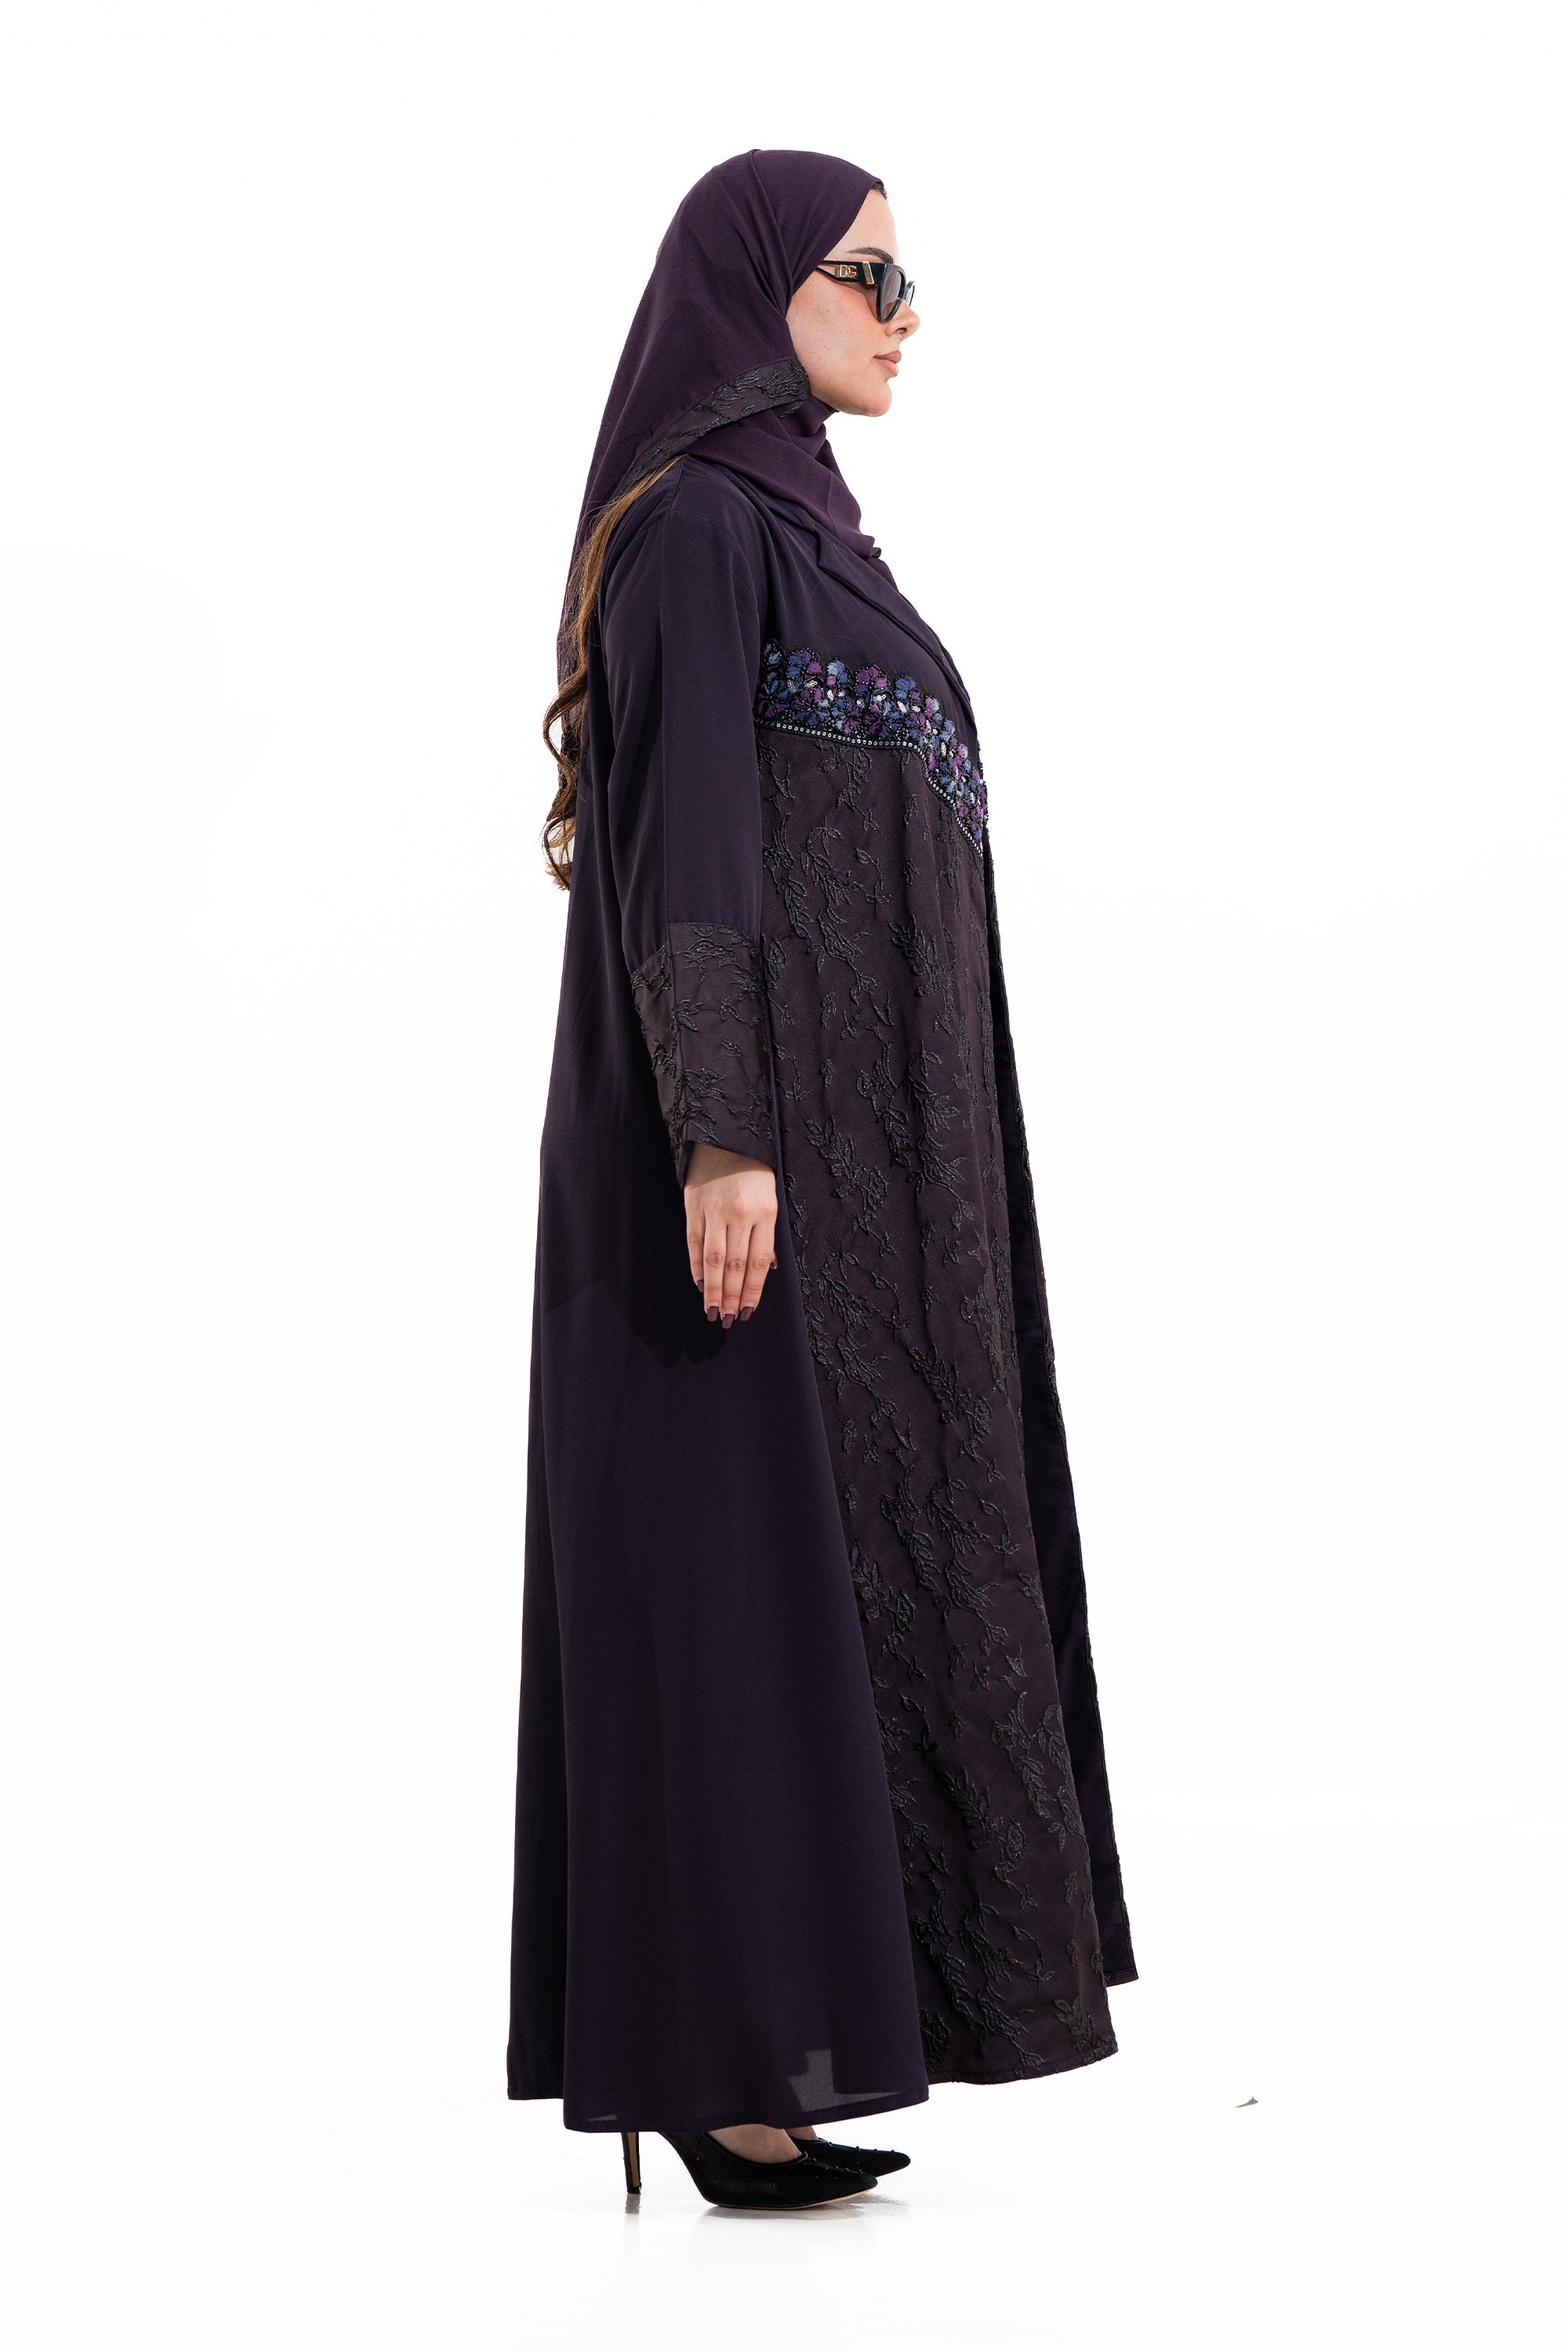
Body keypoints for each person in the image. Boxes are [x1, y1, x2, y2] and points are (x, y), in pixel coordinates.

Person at [507, 150, 1136, 2213]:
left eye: (905, 273)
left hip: (869, 1177)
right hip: (750, 1165)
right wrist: (726, 1132)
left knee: (823, 1587)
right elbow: (688, 836)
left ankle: (776, 2048)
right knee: (729, 1585)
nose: (905, 309)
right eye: (871, 272)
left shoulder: (808, 531)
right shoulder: (700, 525)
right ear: (760, 286)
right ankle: (709, 2065)